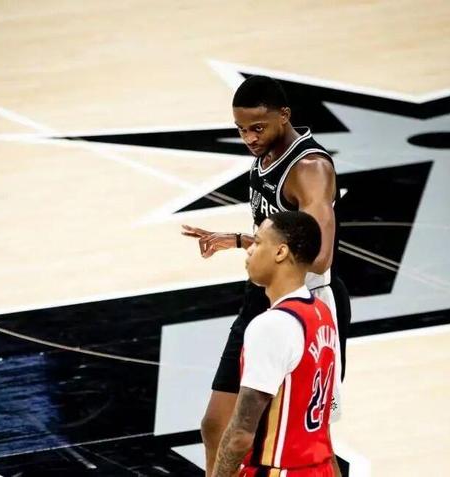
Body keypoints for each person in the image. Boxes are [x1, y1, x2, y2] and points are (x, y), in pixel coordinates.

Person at [181, 75, 350, 476]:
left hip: (307, 305)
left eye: (257, 128)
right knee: (216, 425)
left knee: (306, 437)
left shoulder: (309, 168)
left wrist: (258, 248)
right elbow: (283, 234)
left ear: (284, 115)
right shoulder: (266, 155)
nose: (249, 139)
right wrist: (243, 240)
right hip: (264, 297)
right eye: (241, 130)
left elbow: (320, 256)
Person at [212, 211, 341, 477]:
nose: (249, 250)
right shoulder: (322, 314)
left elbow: (240, 434)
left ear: (281, 252)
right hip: (321, 468)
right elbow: (323, 424)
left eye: (258, 242)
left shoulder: (272, 326)